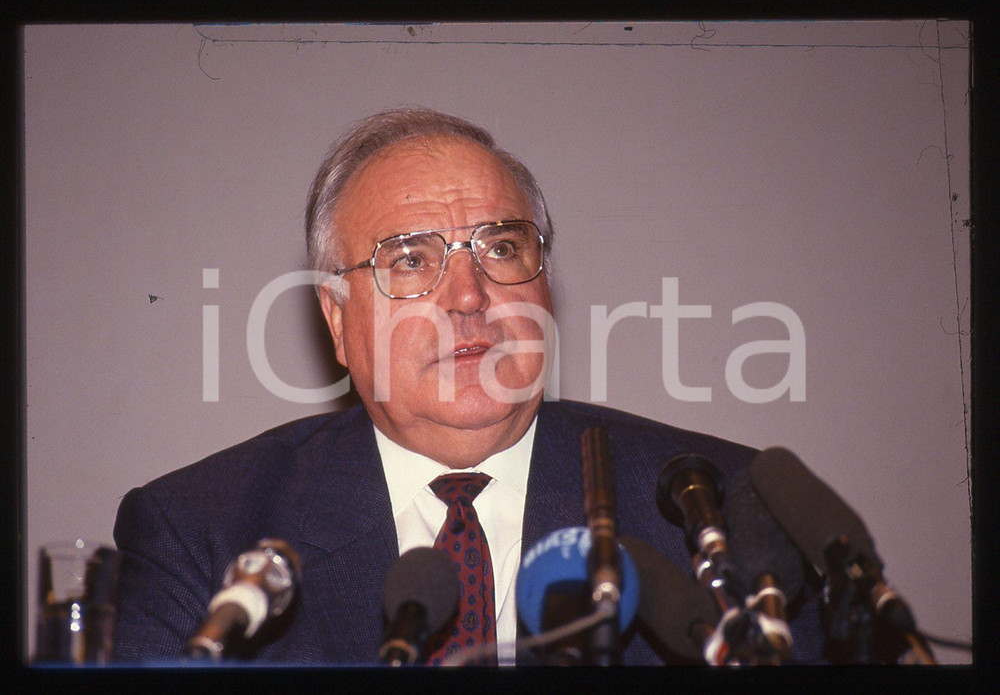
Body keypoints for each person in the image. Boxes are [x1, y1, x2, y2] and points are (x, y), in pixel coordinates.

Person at [112, 107, 822, 666]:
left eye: (501, 248)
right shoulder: (197, 533)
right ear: (336, 319)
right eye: (412, 258)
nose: (467, 294)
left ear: (545, 289)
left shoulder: (725, 510)